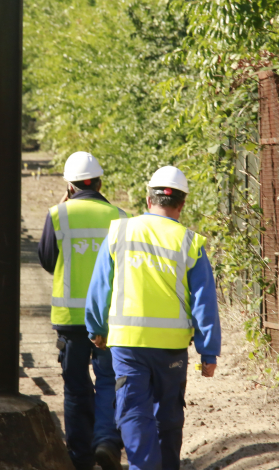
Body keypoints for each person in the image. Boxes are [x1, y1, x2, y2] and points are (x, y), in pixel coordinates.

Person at [85, 166, 221, 470]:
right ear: (182, 204)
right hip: (170, 348)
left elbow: (100, 287)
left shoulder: (119, 231)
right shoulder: (189, 242)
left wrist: (96, 328)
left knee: (133, 413)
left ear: (149, 199)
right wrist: (208, 351)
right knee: (168, 416)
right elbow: (204, 303)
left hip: (127, 345)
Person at [38, 151, 129, 470]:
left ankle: (80, 457)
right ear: (100, 182)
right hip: (109, 320)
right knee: (108, 381)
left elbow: (48, 261)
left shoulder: (58, 215)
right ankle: (106, 441)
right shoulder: (119, 217)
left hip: (70, 320)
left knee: (76, 388)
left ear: (70, 185)